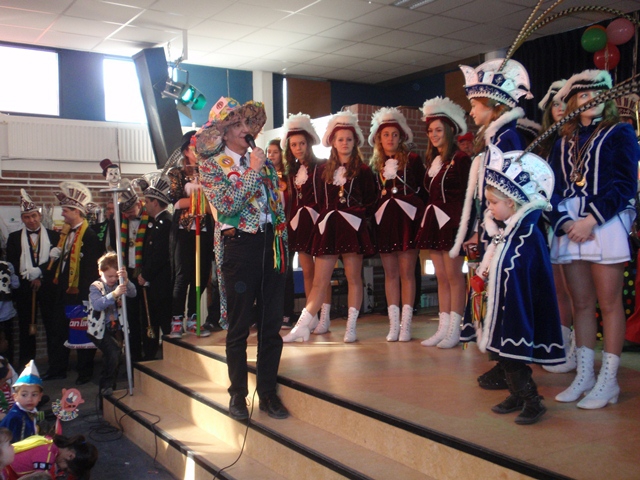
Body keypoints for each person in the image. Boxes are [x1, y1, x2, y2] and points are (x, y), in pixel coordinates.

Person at [549, 70, 640, 409]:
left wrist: (590, 221)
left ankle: (609, 380)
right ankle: (585, 375)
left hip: (605, 223)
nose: (593, 100)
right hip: (570, 228)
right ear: (574, 101)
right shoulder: (562, 141)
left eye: (599, 93)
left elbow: (625, 184)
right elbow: (551, 189)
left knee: (610, 303)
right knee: (582, 304)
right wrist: (564, 222)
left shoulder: (621, 132)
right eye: (585, 95)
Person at [199, 96, 289, 420]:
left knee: (271, 326)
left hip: (271, 244)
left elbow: (276, 206)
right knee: (238, 328)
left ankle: (268, 393)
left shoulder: (264, 162)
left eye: (246, 123)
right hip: (238, 247)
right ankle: (238, 395)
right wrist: (252, 171)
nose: (244, 129)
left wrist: (283, 241)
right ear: (223, 133)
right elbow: (227, 205)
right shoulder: (211, 166)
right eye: (235, 124)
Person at [455, 58, 533, 389]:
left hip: (505, 232)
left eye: (475, 105)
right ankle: (502, 363)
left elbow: (511, 194)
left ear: (493, 105)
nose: (472, 111)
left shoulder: (508, 139)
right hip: (492, 231)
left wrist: (497, 230)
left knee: (503, 297)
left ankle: (514, 370)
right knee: (490, 296)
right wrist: (479, 230)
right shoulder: (493, 138)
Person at [475, 145, 564, 424]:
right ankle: (516, 394)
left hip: (517, 310)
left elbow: (523, 274)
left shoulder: (528, 235)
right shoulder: (511, 231)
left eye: (493, 202)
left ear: (511, 203)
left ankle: (532, 400)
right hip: (504, 308)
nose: (489, 208)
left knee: (513, 356)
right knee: (503, 356)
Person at [284, 110, 376, 344]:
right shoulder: (324, 170)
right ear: (333, 142)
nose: (344, 143)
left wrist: (356, 215)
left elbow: (371, 199)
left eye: (349, 139)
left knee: (353, 277)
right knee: (319, 280)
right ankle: (302, 326)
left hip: (352, 228)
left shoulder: (363, 170)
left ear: (355, 142)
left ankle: (351, 326)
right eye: (340, 139)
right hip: (329, 228)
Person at [415, 97, 471, 348]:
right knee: (441, 277)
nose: (434, 135)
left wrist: (468, 228)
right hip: (434, 222)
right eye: (430, 131)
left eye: (438, 130)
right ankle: (443, 327)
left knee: (453, 276)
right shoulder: (434, 161)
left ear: (449, 130)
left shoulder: (461, 159)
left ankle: (455, 329)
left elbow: (469, 195)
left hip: (453, 223)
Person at [368, 107, 425, 342]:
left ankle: (406, 324)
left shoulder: (413, 160)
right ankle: (393, 324)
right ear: (379, 139)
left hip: (407, 221)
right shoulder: (375, 165)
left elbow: (423, 191)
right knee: (390, 274)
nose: (390, 139)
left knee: (407, 273)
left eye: (394, 134)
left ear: (401, 137)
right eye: (386, 135)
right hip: (385, 222)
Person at [535, 79, 577, 375]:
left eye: (564, 102)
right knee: (558, 287)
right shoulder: (545, 143)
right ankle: (559, 343)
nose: (560, 108)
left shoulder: (578, 139)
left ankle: (576, 346)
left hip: (574, 220)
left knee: (577, 290)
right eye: (555, 104)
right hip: (549, 222)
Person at [279, 114, 329, 333]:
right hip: (299, 224)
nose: (298, 148)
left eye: (301, 144)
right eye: (293, 145)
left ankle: (325, 316)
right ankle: (312, 316)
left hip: (318, 221)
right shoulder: (291, 172)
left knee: (322, 274)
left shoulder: (322, 167)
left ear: (308, 144)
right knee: (308, 271)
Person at [48, 182, 101, 385]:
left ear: (76, 212)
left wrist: (87, 297)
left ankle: (85, 372)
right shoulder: (65, 233)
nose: (62, 214)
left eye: (65, 210)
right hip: (63, 290)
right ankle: (57, 369)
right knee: (58, 330)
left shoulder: (90, 236)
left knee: (81, 332)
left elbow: (91, 270)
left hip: (80, 293)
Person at [167, 131, 214, 337]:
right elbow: (177, 201)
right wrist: (202, 201)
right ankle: (177, 319)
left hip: (205, 230)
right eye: (195, 147)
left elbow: (215, 201)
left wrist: (199, 201)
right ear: (186, 150)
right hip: (184, 230)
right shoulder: (177, 173)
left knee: (201, 275)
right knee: (182, 276)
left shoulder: (210, 172)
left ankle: (194, 318)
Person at [6, 190, 59, 368]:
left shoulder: (54, 237)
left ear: (40, 216)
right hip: (25, 289)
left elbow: (56, 264)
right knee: (26, 328)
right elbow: (13, 264)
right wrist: (29, 277)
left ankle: (55, 366)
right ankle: (27, 366)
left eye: (34, 216)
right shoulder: (14, 238)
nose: (31, 220)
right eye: (27, 217)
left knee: (52, 326)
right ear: (22, 219)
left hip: (47, 288)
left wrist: (40, 276)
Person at [87, 252, 136, 397]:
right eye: (109, 276)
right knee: (113, 352)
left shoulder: (119, 283)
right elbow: (97, 305)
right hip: (99, 329)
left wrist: (126, 280)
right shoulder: (95, 287)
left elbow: (132, 293)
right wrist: (114, 294)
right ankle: (106, 386)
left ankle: (110, 387)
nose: (113, 279)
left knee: (113, 356)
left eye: (116, 276)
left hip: (115, 327)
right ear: (100, 272)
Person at [136, 173, 173, 359]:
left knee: (164, 321)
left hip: (161, 283)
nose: (145, 205)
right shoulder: (156, 222)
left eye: (147, 201)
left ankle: (170, 357)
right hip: (155, 283)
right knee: (152, 321)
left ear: (155, 202)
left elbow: (160, 255)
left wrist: (146, 274)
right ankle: (150, 356)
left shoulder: (165, 223)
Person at [116, 180, 146, 360]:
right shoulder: (122, 222)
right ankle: (134, 357)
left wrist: (146, 272)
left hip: (144, 275)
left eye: (130, 212)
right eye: (125, 213)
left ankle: (148, 354)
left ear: (138, 204)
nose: (127, 215)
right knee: (132, 318)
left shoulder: (149, 219)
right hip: (129, 276)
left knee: (146, 317)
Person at [267, 138, 295, 330]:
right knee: (269, 273)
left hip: (286, 230)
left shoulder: (289, 177)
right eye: (269, 152)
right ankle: (269, 313)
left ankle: (287, 313)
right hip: (268, 230)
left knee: (286, 271)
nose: (271, 155)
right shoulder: (263, 174)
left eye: (275, 152)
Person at [5, 434, 97, 479]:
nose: (62, 470)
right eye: (65, 469)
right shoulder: (47, 455)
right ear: (70, 456)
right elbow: (40, 478)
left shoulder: (49, 441)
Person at [0, 361, 43, 442]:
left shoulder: (28, 411)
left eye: (34, 395)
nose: (29, 399)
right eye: (24, 395)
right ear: (15, 397)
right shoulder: (16, 418)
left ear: (40, 397)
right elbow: (18, 444)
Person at [0, 259, 19, 365]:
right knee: (7, 343)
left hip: (6, 312)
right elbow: (16, 284)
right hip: (6, 311)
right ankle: (8, 368)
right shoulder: (8, 265)